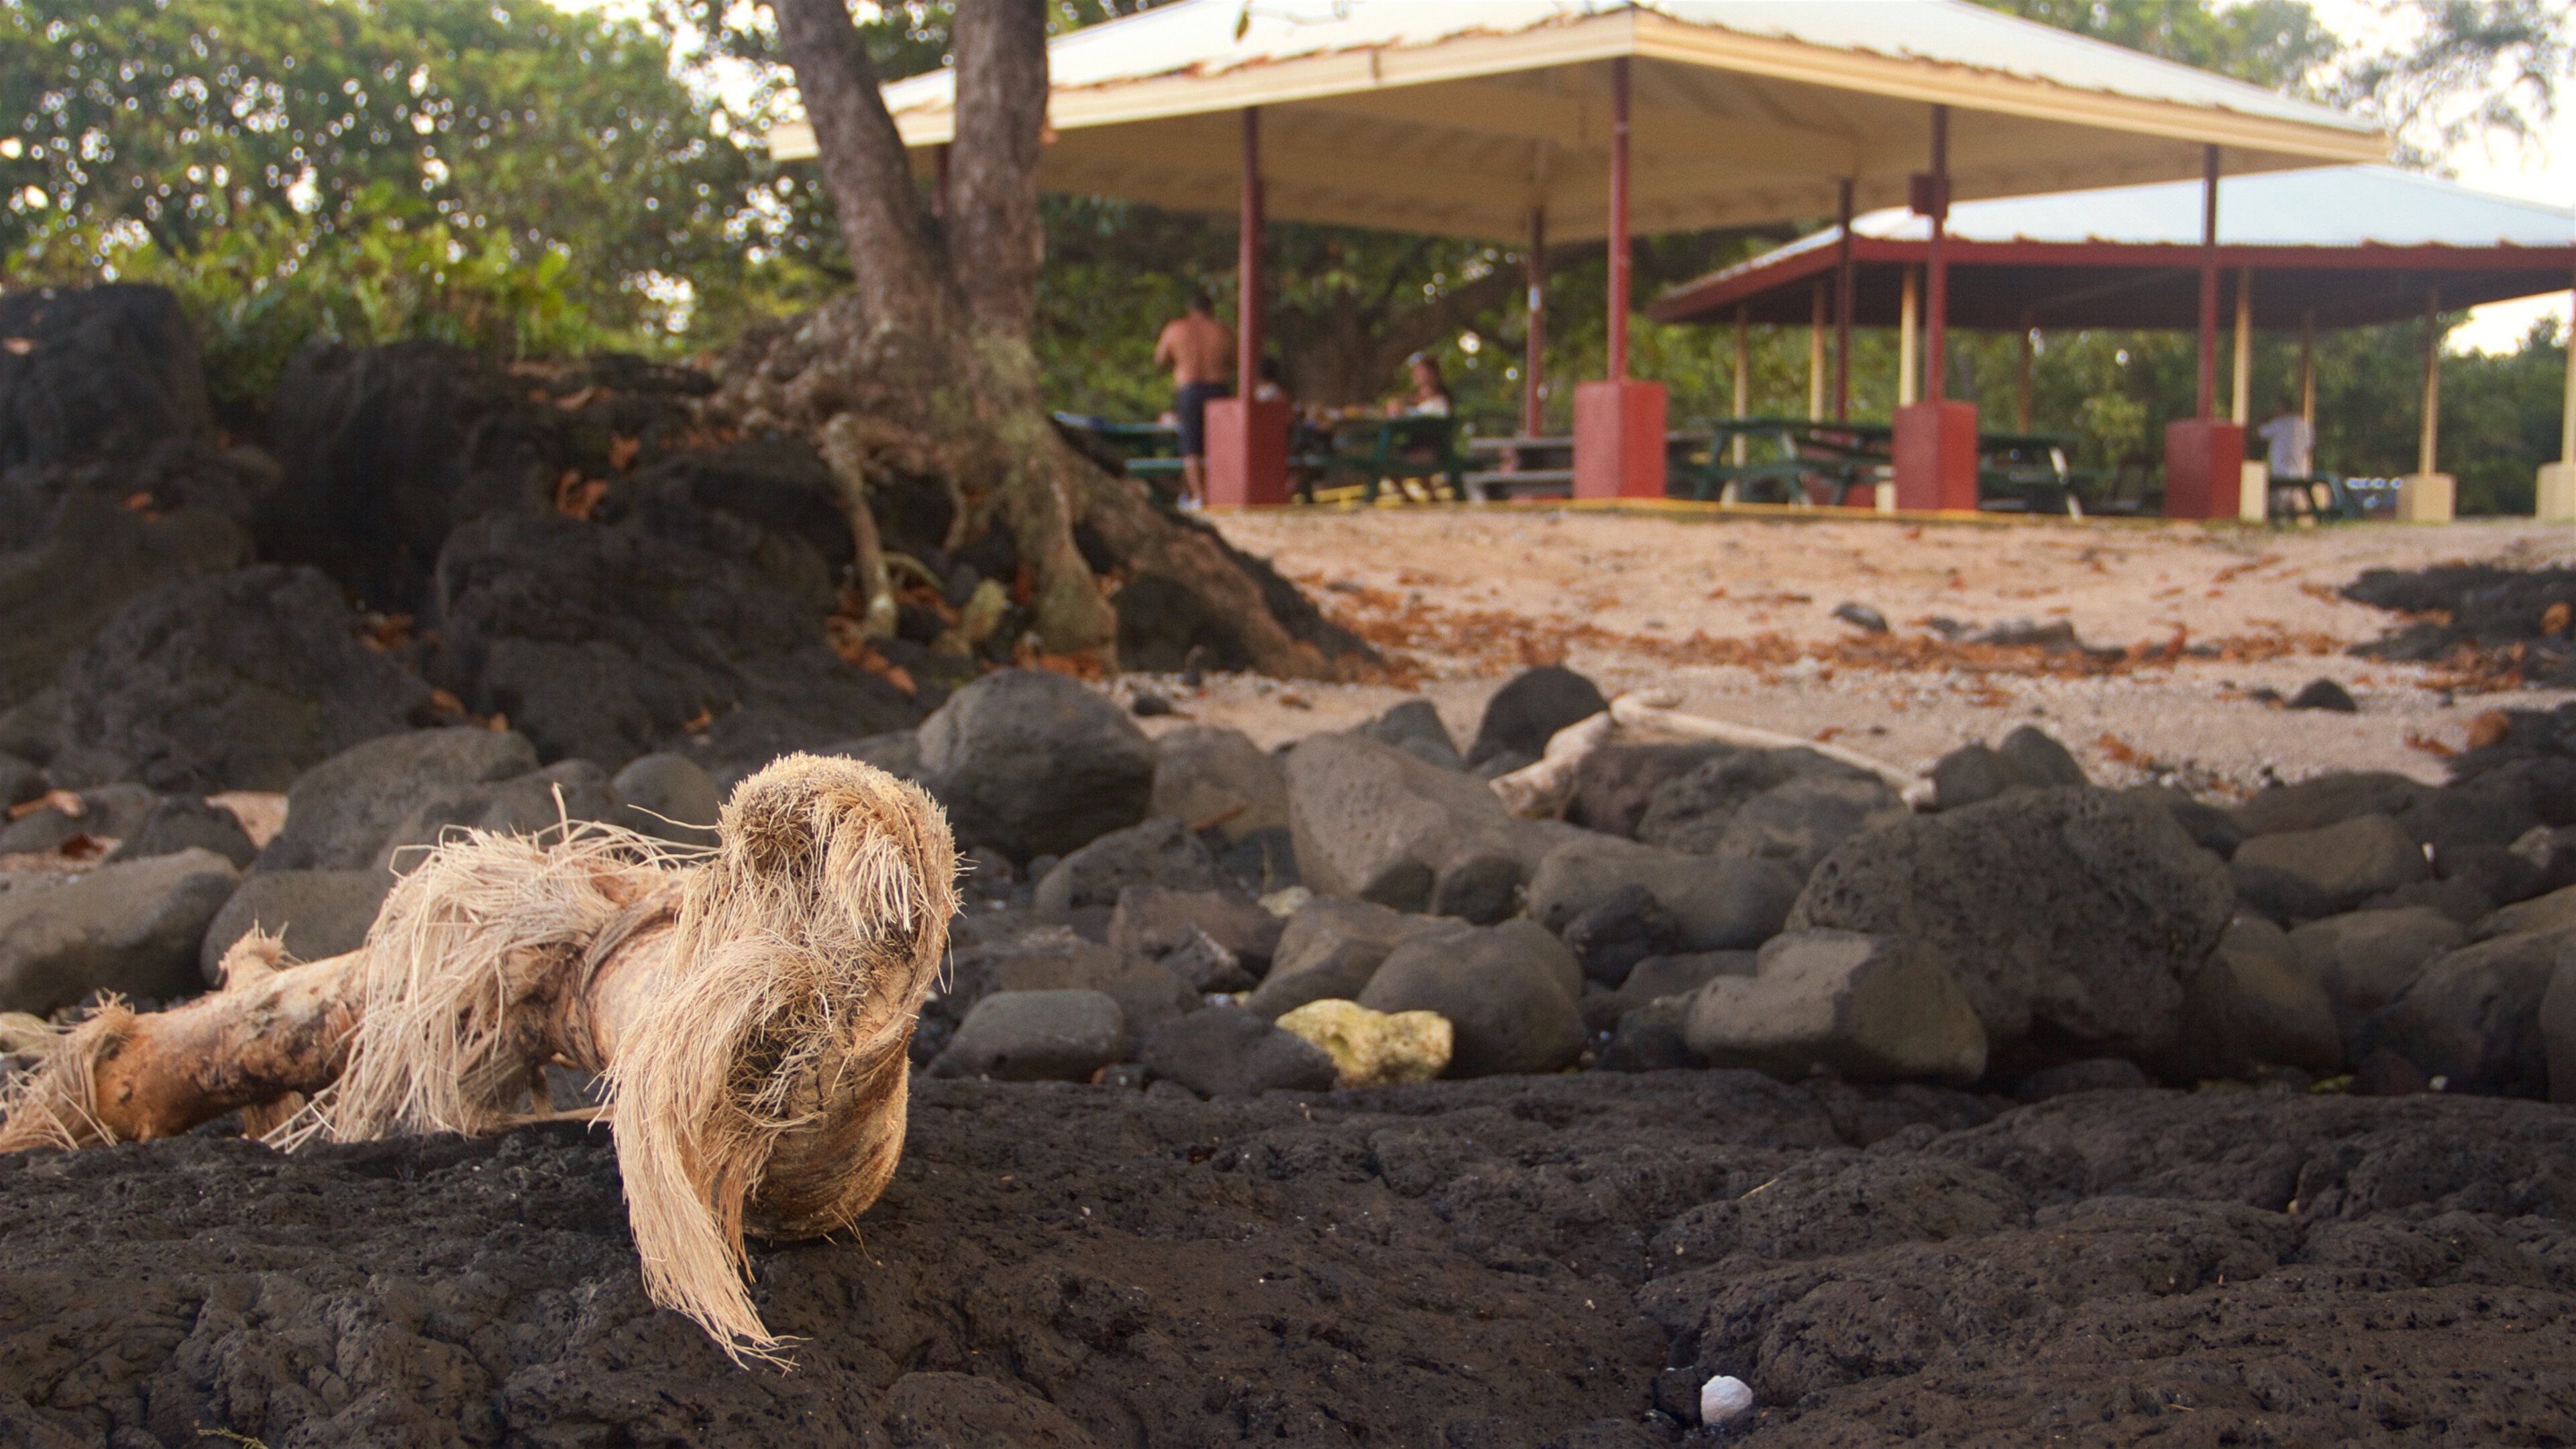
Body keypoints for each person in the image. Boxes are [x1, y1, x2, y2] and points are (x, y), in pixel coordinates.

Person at [1152, 291, 1234, 507]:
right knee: (1219, 444)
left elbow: (1160, 358)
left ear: (1190, 309)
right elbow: (1235, 359)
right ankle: (1219, 492)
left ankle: (1200, 496)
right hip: (1218, 389)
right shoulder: (1222, 331)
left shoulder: (1175, 329)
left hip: (1189, 389)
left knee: (1191, 445)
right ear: (1211, 310)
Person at [2257, 396, 2314, 479]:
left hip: (2281, 472)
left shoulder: (2278, 424)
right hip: (2300, 473)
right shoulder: (2305, 425)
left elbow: (2260, 433)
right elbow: (2309, 446)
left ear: (2282, 408)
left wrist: (2264, 420)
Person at [1386, 353, 1452, 417]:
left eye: (1421, 372)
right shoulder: (1412, 399)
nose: (1417, 375)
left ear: (1433, 374)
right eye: (1415, 372)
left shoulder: (1439, 402)